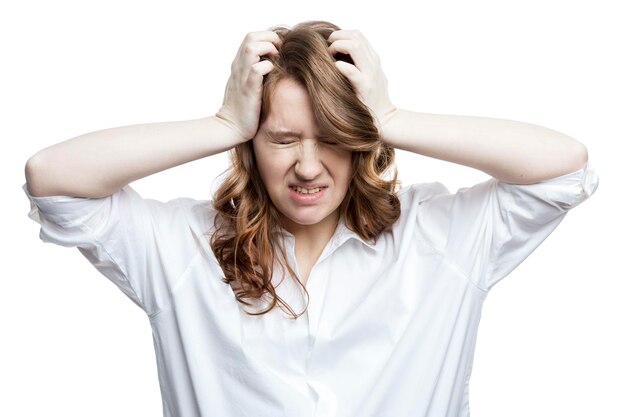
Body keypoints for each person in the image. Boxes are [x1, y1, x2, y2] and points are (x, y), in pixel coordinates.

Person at [23, 20, 599, 417]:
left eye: (329, 138)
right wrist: (223, 122)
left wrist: (392, 115)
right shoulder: (181, 247)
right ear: (251, 143)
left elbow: (562, 168)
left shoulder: (439, 237)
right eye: (282, 138)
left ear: (358, 139)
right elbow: (52, 178)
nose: (306, 166)